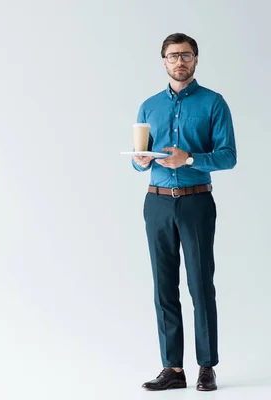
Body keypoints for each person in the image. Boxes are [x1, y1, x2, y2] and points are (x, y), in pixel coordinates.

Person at [132, 33, 237, 391]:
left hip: (195, 201)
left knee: (199, 283)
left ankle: (206, 365)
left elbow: (228, 155)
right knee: (163, 286)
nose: (180, 61)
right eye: (173, 56)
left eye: (186, 55)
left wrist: (189, 158)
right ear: (163, 61)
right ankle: (172, 369)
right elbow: (139, 160)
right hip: (157, 201)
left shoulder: (213, 103)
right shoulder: (149, 106)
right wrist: (141, 160)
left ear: (195, 60)